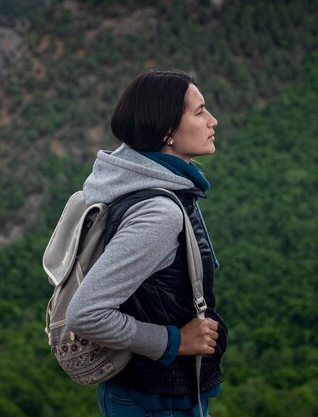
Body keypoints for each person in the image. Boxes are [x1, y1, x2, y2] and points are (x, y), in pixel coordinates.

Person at [66, 69, 227, 417]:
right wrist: (174, 341)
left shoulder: (143, 183)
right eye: (199, 112)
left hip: (155, 394)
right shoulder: (158, 213)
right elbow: (85, 314)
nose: (213, 120)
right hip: (156, 403)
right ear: (168, 132)